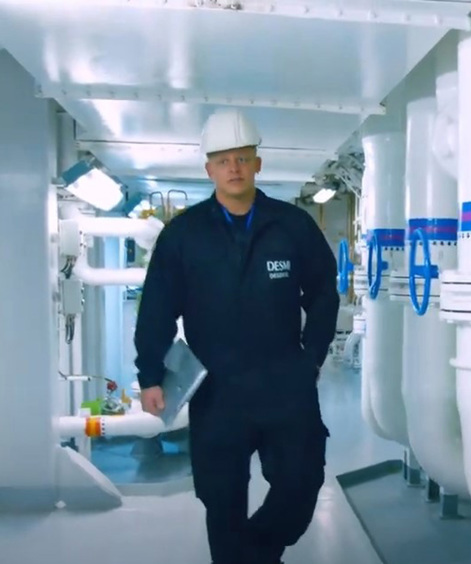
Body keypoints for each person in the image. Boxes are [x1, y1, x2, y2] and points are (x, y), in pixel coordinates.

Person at [133, 108, 340, 564]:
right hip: (217, 388)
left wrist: (313, 357)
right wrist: (150, 374)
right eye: (223, 160)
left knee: (301, 483)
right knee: (221, 498)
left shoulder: (291, 225)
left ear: (257, 164)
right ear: (209, 169)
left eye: (242, 158)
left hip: (286, 382)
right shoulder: (183, 235)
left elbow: (324, 291)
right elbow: (157, 308)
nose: (233, 168)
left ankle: (254, 555)